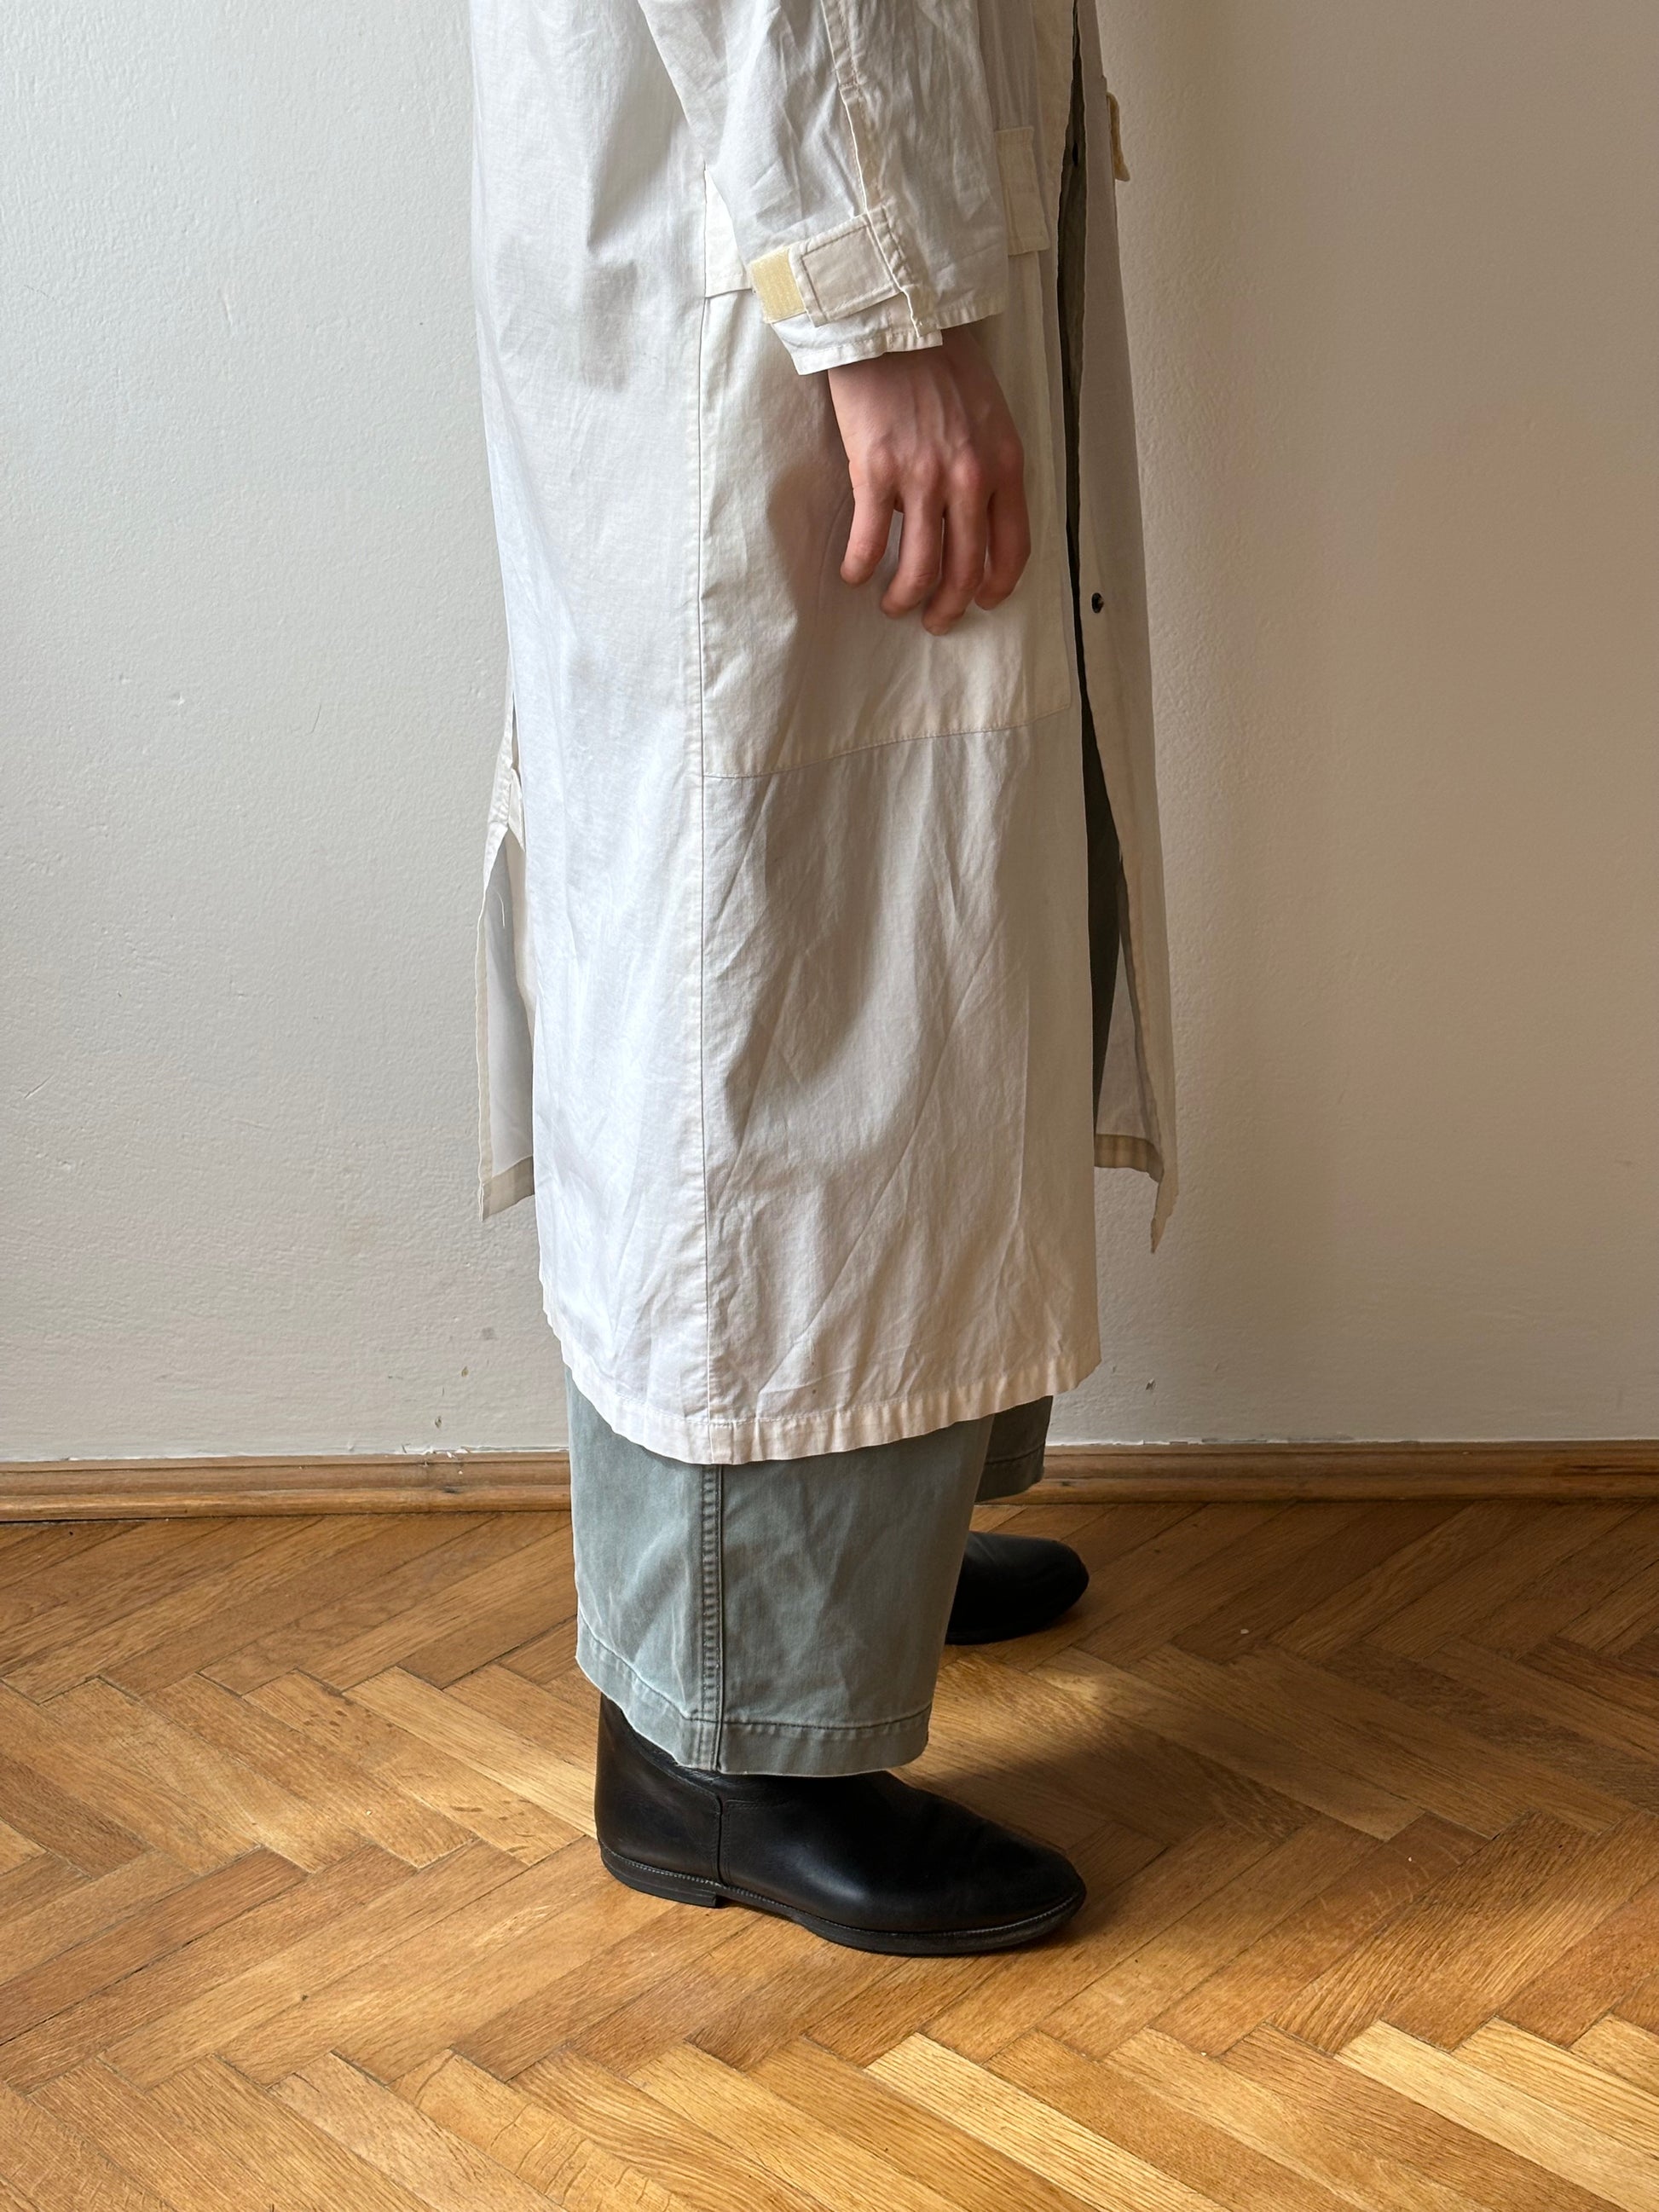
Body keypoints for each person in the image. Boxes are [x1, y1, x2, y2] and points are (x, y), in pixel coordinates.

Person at [469, 0, 1177, 1955]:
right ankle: (723, 1740)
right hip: (789, 234)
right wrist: (881, 296)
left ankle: (853, 1566)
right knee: (781, 969)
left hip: (836, 167)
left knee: (909, 941)